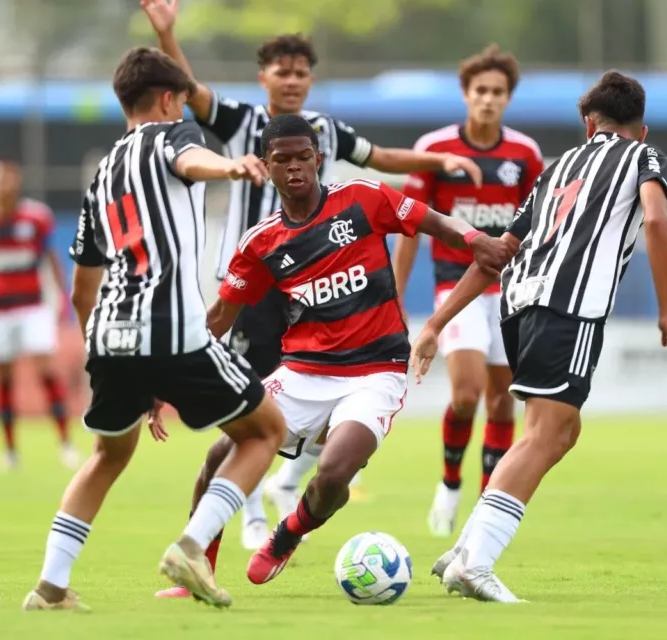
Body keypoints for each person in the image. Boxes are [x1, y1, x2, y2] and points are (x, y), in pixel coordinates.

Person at [141, 0, 486, 548]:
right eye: (283, 72)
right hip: (257, 284)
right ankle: (251, 516)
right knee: (249, 413)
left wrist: (435, 163)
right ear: (264, 79)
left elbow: (380, 160)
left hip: (315, 292)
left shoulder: (324, 131)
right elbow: (186, 89)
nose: (293, 80)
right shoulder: (241, 122)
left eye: (302, 73)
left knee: (324, 415)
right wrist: (167, 32)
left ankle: (292, 489)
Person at [152, 114, 514, 596]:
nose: (296, 167)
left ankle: (288, 534)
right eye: (283, 160)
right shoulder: (261, 243)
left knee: (334, 472)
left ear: (319, 159)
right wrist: (162, 382)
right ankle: (199, 571)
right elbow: (220, 317)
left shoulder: (362, 199)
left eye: (305, 157)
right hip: (303, 370)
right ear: (266, 166)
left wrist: (474, 240)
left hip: (376, 371)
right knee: (220, 454)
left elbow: (433, 221)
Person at [21, 46, 287, 612]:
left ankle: (50, 585)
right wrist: (232, 165)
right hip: (170, 327)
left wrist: (117, 354)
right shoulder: (170, 134)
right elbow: (191, 160)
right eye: (181, 102)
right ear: (168, 100)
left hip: (111, 336)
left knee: (107, 456)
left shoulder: (101, 178)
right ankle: (193, 546)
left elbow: (80, 290)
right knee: (266, 430)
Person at [411, 71, 667, 602]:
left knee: (558, 431)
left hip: (517, 307)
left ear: (589, 124)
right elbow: (655, 221)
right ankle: (478, 563)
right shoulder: (644, 158)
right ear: (643, 128)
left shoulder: (557, 168)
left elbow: (499, 251)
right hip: (571, 305)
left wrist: (434, 322)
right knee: (548, 432)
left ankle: (467, 544)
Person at [392, 44, 544, 538]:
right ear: (465, 94)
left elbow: (537, 227)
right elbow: (409, 225)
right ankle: (450, 481)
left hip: (510, 294)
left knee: (503, 404)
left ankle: (483, 507)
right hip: (454, 291)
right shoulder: (436, 150)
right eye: (480, 90)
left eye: (498, 92)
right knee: (466, 395)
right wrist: (394, 294)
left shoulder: (524, 155)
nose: (488, 100)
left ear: (508, 99)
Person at [0, 160, 79, 471]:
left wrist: (62, 299)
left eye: (8, 178)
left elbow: (52, 258)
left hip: (33, 306)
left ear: (18, 181)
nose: (3, 184)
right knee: (4, 379)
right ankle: (10, 450)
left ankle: (66, 442)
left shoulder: (36, 217)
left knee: (45, 371)